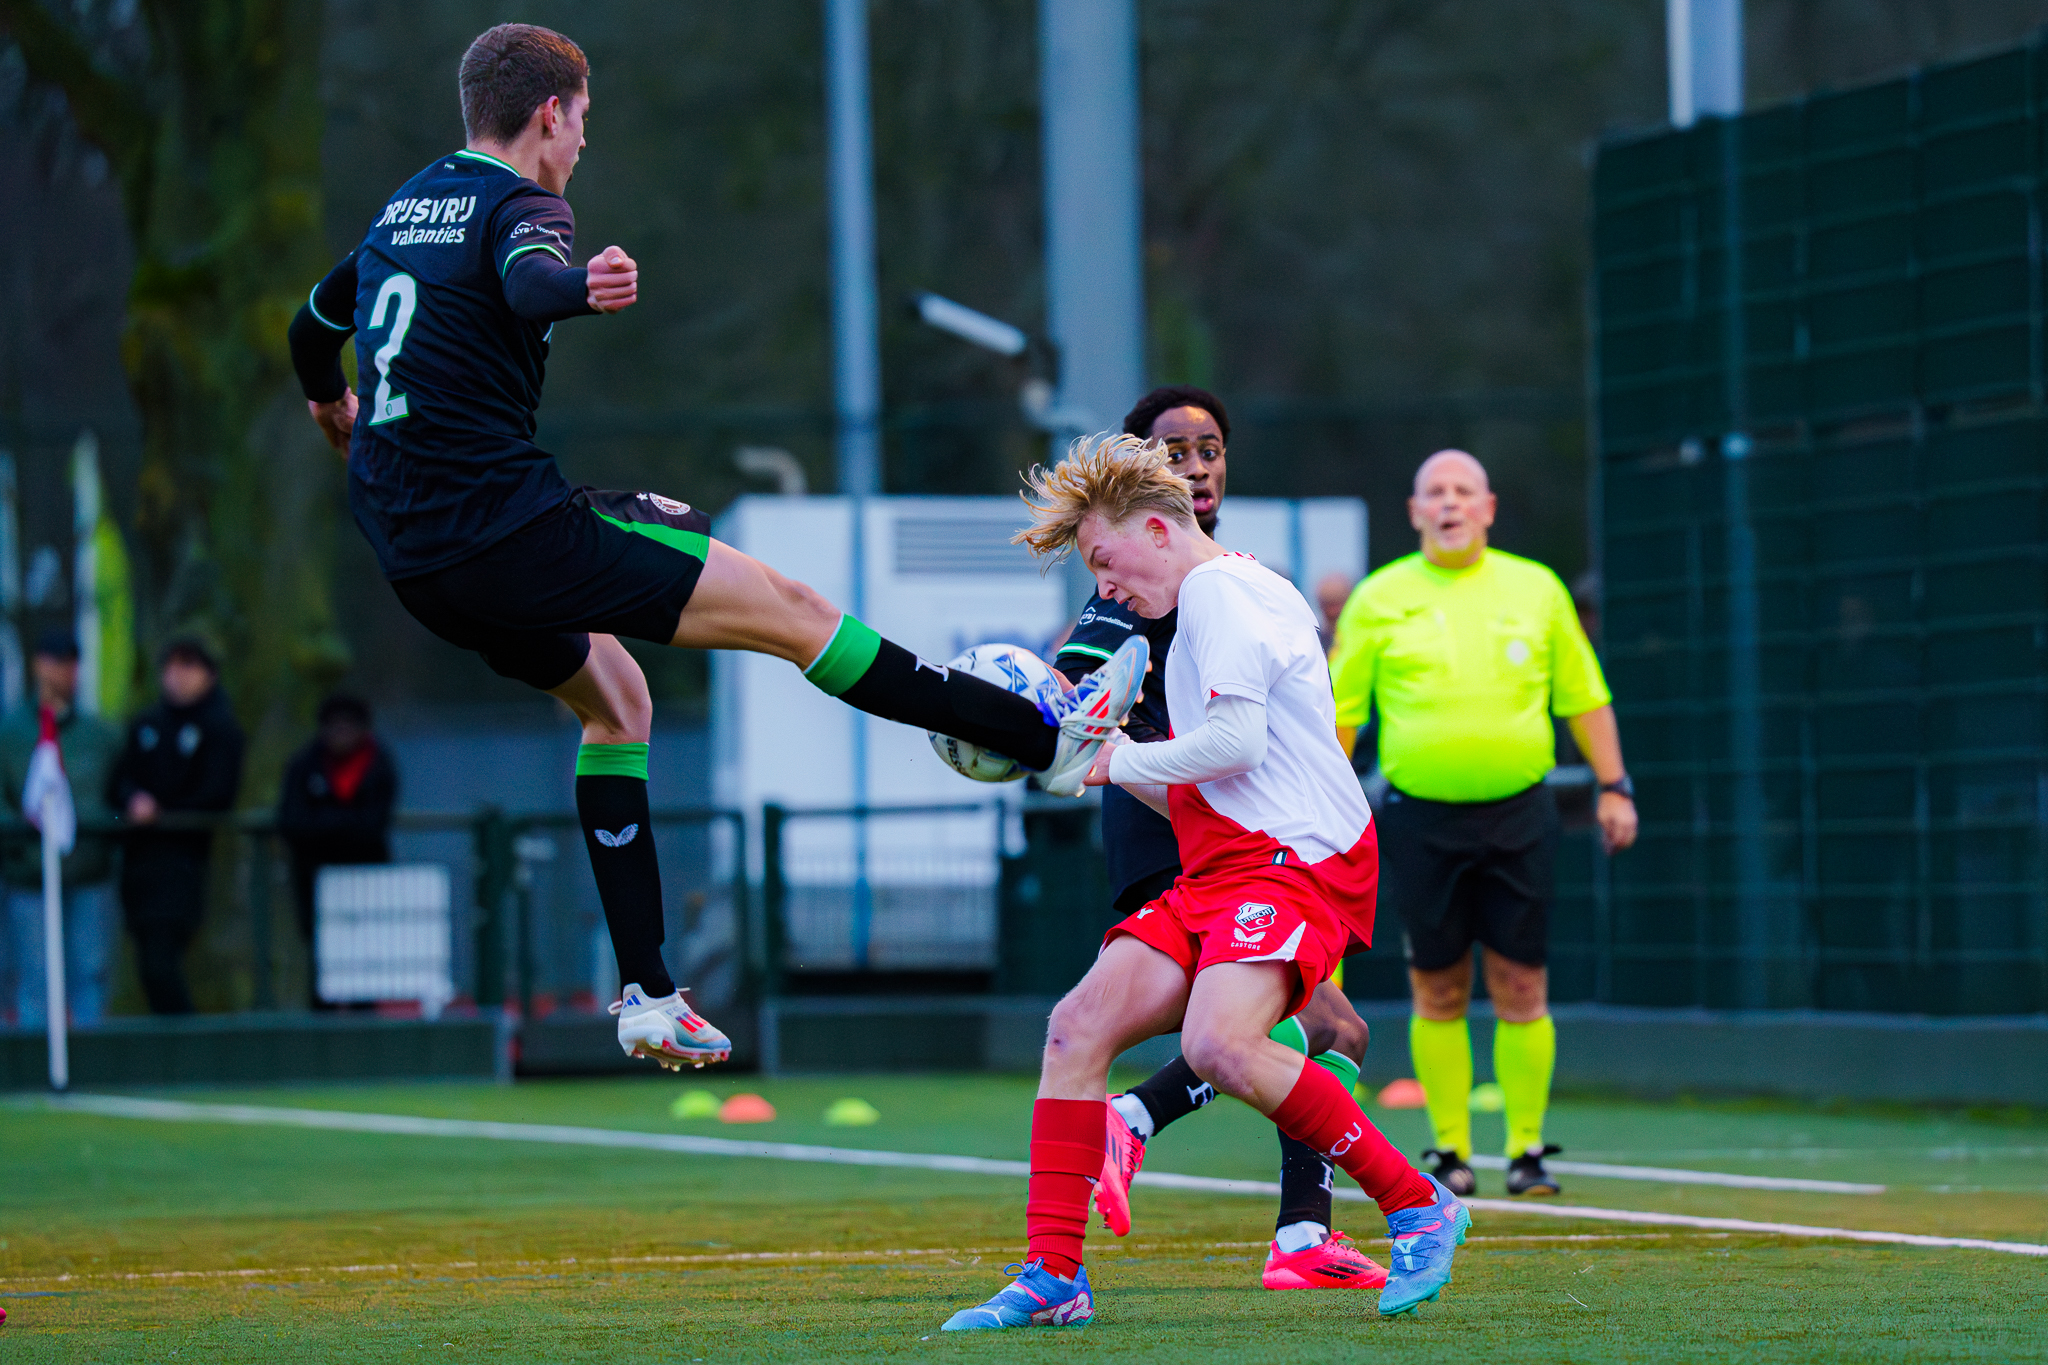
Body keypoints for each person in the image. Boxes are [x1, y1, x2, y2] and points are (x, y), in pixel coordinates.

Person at [285, 23, 1144, 1068]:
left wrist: (331, 402)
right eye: (582, 121)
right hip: (507, 531)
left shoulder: (403, 209)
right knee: (796, 614)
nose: (584, 144)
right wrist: (583, 284)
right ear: (551, 113)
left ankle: (647, 993)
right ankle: (1046, 743)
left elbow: (309, 329)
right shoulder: (526, 207)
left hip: (413, 557)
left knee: (617, 702)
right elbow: (525, 281)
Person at [942, 435, 1469, 1332]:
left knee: (1221, 1042)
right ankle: (1053, 1274)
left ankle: (1419, 1206)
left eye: (1105, 560)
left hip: (1295, 859)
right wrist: (1094, 755)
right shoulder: (1199, 610)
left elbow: (1237, 744)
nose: (1105, 587)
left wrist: (1108, 762)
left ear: (1156, 528)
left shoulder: (1222, 592)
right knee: (1076, 1028)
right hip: (1224, 860)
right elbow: (1208, 779)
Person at [1055, 386, 1381, 1292]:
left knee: (1321, 1026)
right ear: (1139, 470)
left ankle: (1298, 1229)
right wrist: (1063, 730)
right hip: (1179, 829)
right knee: (1303, 1026)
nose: (1197, 465)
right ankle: (1149, 1146)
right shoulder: (1127, 586)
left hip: (1247, 823)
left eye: (1210, 449)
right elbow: (1071, 686)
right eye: (1174, 451)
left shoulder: (1225, 577)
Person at [1328, 449, 1638, 1198]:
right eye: (1435, 491)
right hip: (1419, 819)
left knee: (1521, 982)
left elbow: (1584, 696)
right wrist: (1320, 808)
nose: (1450, 503)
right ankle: (1451, 1152)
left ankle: (1526, 1149)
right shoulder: (1379, 597)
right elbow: (1340, 713)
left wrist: (1614, 786)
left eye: (1464, 490)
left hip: (1519, 816)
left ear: (1489, 507)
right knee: (1436, 986)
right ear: (1414, 511)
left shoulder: (1537, 588)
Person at [108, 637, 246, 1015]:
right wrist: (133, 802)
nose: (177, 676)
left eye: (188, 666)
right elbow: (117, 785)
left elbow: (218, 793)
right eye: (170, 666)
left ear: (209, 674)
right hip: (140, 864)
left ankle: (187, 1039)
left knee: (163, 962)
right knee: (148, 964)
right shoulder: (147, 723)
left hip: (187, 865)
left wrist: (164, 812)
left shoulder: (220, 727)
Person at [0, 629, 124, 1027]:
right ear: (37, 664)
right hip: (28, 875)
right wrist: (22, 840)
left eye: (68, 663)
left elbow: (120, 796)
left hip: (89, 871)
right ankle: (39, 1055)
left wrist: (108, 826)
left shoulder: (101, 735)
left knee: (90, 971)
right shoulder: (10, 733)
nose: (60, 672)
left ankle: (89, 1055)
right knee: (35, 978)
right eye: (52, 661)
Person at [276, 694, 399, 1007]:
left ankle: (364, 1027)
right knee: (322, 960)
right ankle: (323, 1030)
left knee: (365, 962)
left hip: (366, 877)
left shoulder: (379, 764)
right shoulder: (304, 764)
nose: (341, 734)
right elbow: (292, 822)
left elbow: (372, 826)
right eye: (334, 726)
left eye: (349, 726)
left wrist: (325, 825)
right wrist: (343, 825)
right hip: (314, 877)